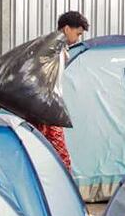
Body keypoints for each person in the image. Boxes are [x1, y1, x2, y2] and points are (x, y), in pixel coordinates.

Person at [36, 11, 90, 169]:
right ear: (67, 29)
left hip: (44, 107)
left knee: (41, 148)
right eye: (77, 33)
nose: (78, 38)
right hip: (48, 108)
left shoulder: (56, 48)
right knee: (61, 155)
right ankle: (63, 186)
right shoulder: (53, 49)